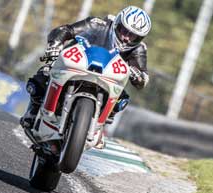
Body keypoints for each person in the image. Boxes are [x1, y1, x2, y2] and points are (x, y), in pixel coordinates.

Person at [20, 6, 151, 133]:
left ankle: (100, 124)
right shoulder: (97, 24)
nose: (126, 37)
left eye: (133, 36)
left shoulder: (139, 48)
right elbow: (66, 30)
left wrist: (138, 76)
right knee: (43, 75)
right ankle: (33, 110)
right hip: (76, 65)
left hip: (107, 79)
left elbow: (143, 76)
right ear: (117, 23)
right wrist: (56, 44)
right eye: (124, 30)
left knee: (122, 100)